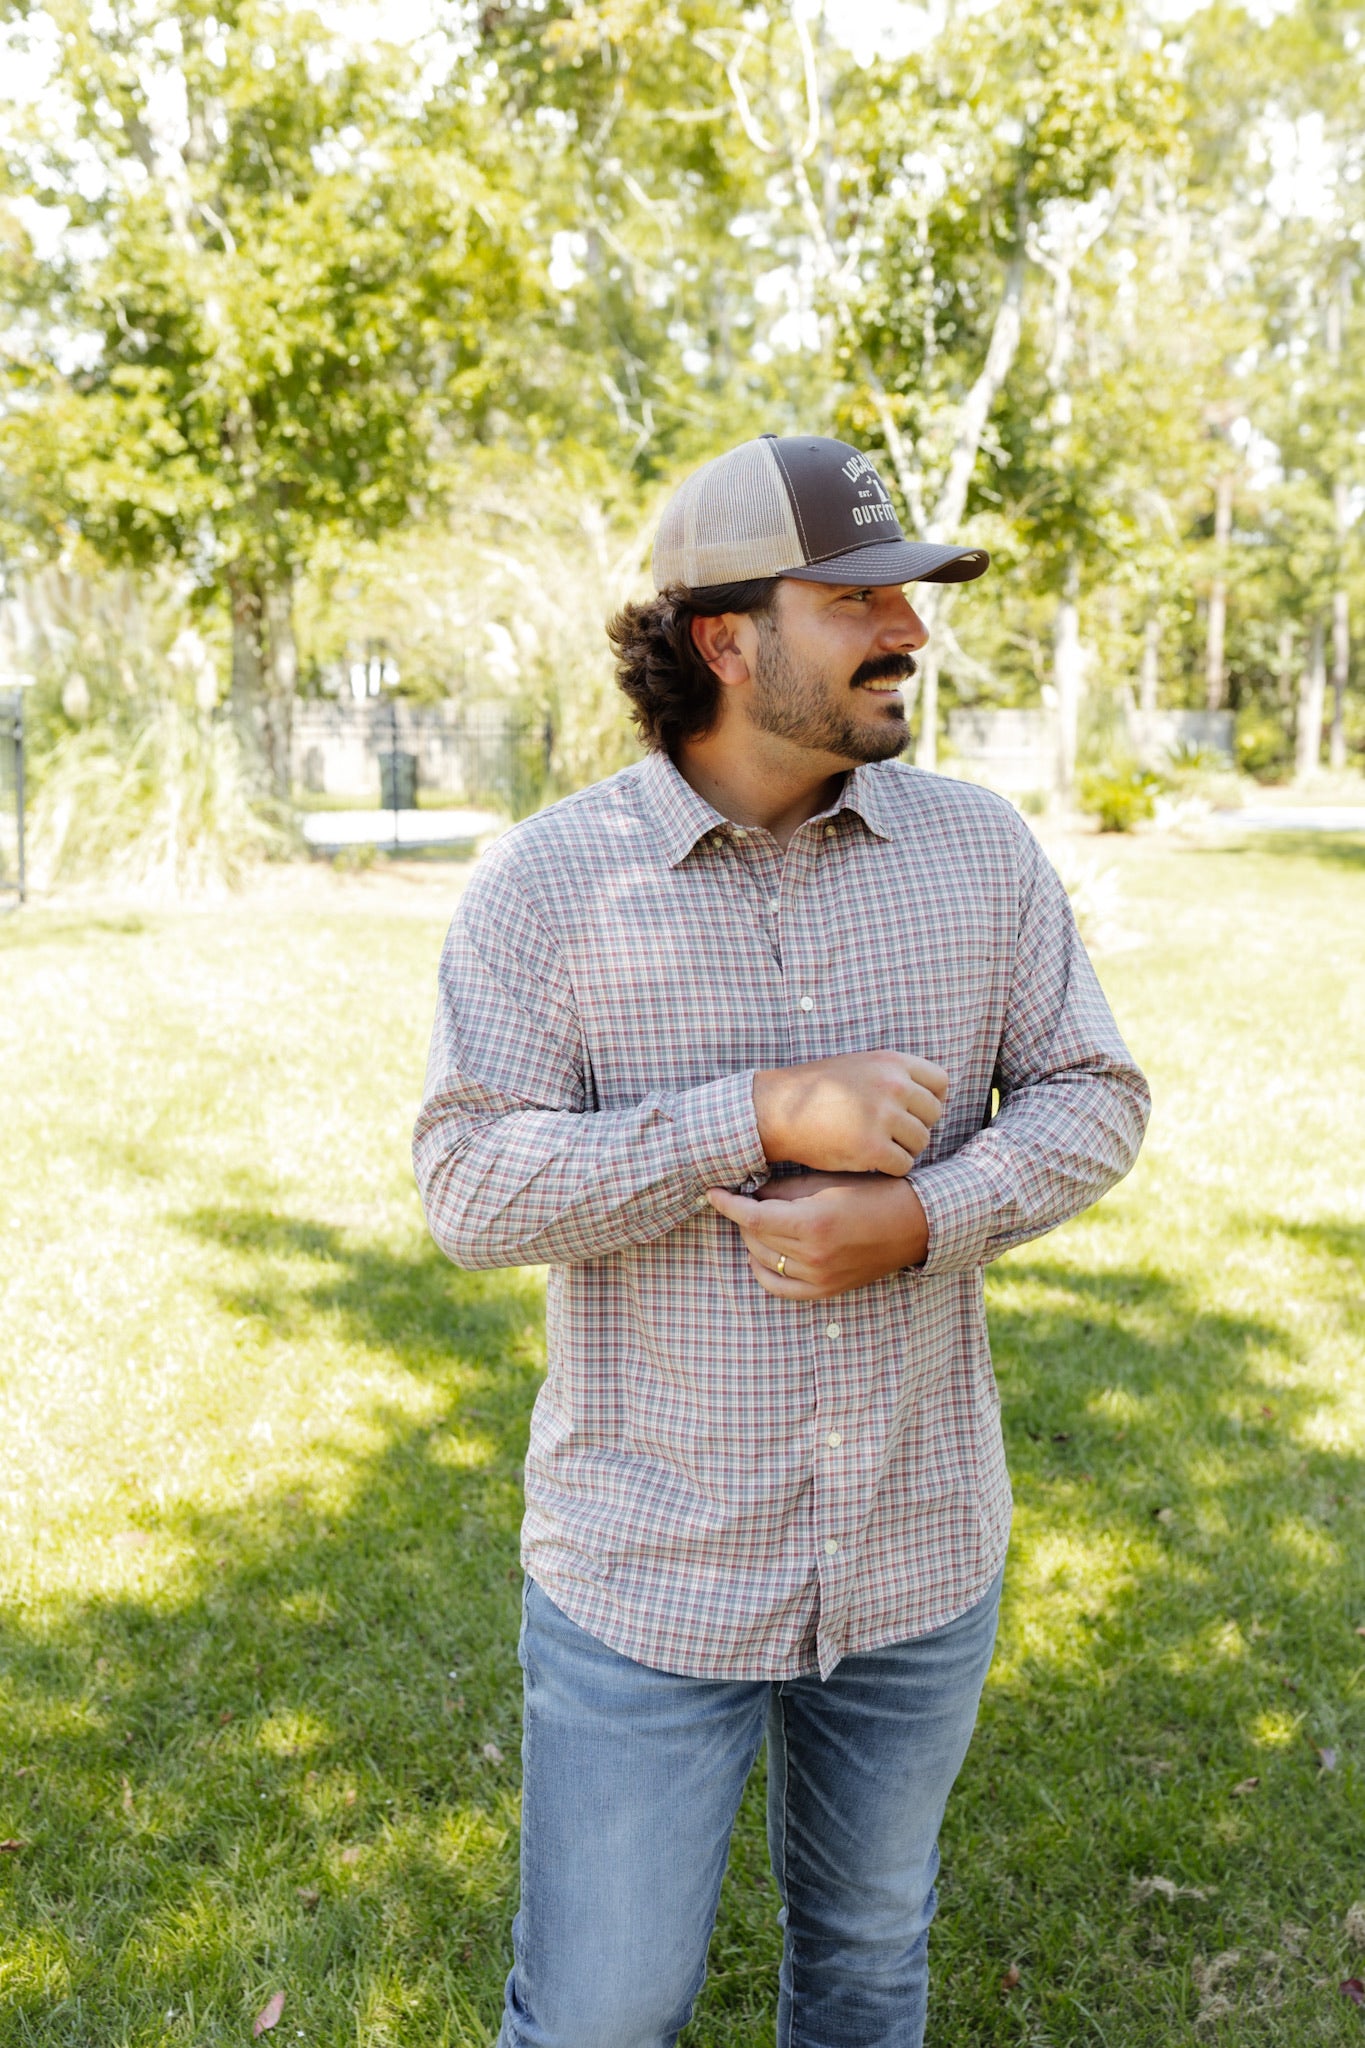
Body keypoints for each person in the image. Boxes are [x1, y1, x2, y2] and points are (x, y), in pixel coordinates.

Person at [413, 432, 1150, 2048]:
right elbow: (470, 1189)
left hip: (915, 1549)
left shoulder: (977, 853)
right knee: (602, 2018)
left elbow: (1094, 1097)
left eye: (910, 597)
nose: (910, 632)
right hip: (647, 1580)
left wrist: (915, 1221)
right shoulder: (550, 889)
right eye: (860, 601)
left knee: (868, 1975)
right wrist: (751, 1112)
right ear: (723, 639)